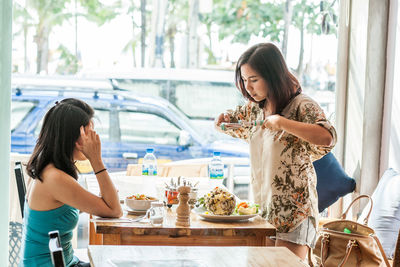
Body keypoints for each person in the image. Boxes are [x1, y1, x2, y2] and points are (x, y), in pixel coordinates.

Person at [215, 43, 336, 260]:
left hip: (295, 214)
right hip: (262, 212)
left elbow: (327, 136)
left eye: (254, 80)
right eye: (244, 80)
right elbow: (228, 122)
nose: (248, 87)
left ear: (273, 76)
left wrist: (282, 123)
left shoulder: (302, 105)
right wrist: (222, 119)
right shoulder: (255, 108)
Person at [20, 98, 123, 267]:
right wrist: (96, 159)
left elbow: (59, 211)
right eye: (90, 134)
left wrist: (96, 202)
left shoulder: (47, 166)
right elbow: (115, 210)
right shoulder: (55, 178)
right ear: (75, 137)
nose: (95, 140)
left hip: (65, 262)